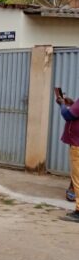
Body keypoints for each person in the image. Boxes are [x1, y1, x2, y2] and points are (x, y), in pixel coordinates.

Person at [56, 91, 79, 219]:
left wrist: (62, 104)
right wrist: (72, 103)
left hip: (77, 145)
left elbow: (68, 115)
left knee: (77, 179)